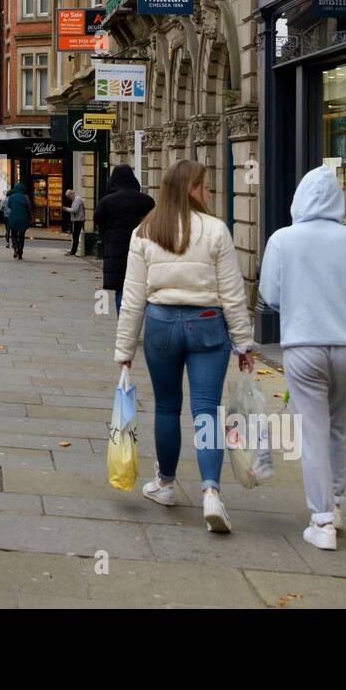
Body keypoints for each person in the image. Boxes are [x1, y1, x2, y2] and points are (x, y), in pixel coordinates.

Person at [115, 160, 253, 534]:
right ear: (191, 189)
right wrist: (243, 342)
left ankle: (165, 484)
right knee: (207, 410)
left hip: (161, 324)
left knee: (167, 407)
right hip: (208, 324)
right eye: (205, 187)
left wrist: (124, 349)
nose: (208, 193)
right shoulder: (216, 231)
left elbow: (132, 297)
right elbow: (232, 294)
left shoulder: (145, 231)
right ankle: (211, 491)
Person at [258, 166, 346, 551]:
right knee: (340, 428)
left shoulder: (282, 240)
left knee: (311, 431)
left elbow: (270, 296)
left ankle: (321, 519)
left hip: (303, 344)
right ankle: (337, 504)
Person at [94, 164, 155, 312]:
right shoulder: (147, 201)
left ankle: (124, 322)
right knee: (141, 287)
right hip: (142, 249)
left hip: (116, 251)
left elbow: (98, 220)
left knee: (121, 289)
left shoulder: (107, 201)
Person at [3, 183, 32, 259]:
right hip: (23, 218)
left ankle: (15, 247)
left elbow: (9, 205)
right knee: (22, 236)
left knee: (13, 234)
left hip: (13, 218)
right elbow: (29, 207)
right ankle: (20, 252)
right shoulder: (26, 197)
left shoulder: (11, 197)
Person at [63, 188, 86, 255]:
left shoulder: (77, 199)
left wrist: (66, 209)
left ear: (71, 194)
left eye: (69, 196)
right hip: (77, 219)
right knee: (75, 236)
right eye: (68, 197)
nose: (68, 198)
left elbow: (75, 210)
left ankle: (73, 251)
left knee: (75, 236)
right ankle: (73, 251)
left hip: (78, 220)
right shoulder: (75, 200)